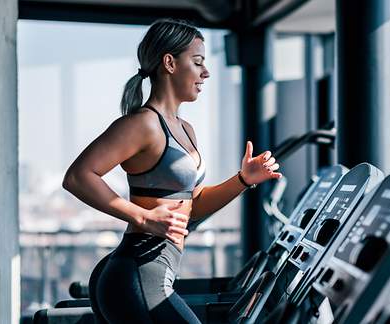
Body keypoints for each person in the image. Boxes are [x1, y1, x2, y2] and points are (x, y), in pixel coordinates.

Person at [62, 19, 282, 323]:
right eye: (197, 62)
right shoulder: (142, 124)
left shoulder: (185, 129)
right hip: (138, 271)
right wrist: (142, 216)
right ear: (170, 62)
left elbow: (193, 206)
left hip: (150, 270)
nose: (206, 72)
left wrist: (243, 180)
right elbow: (78, 176)